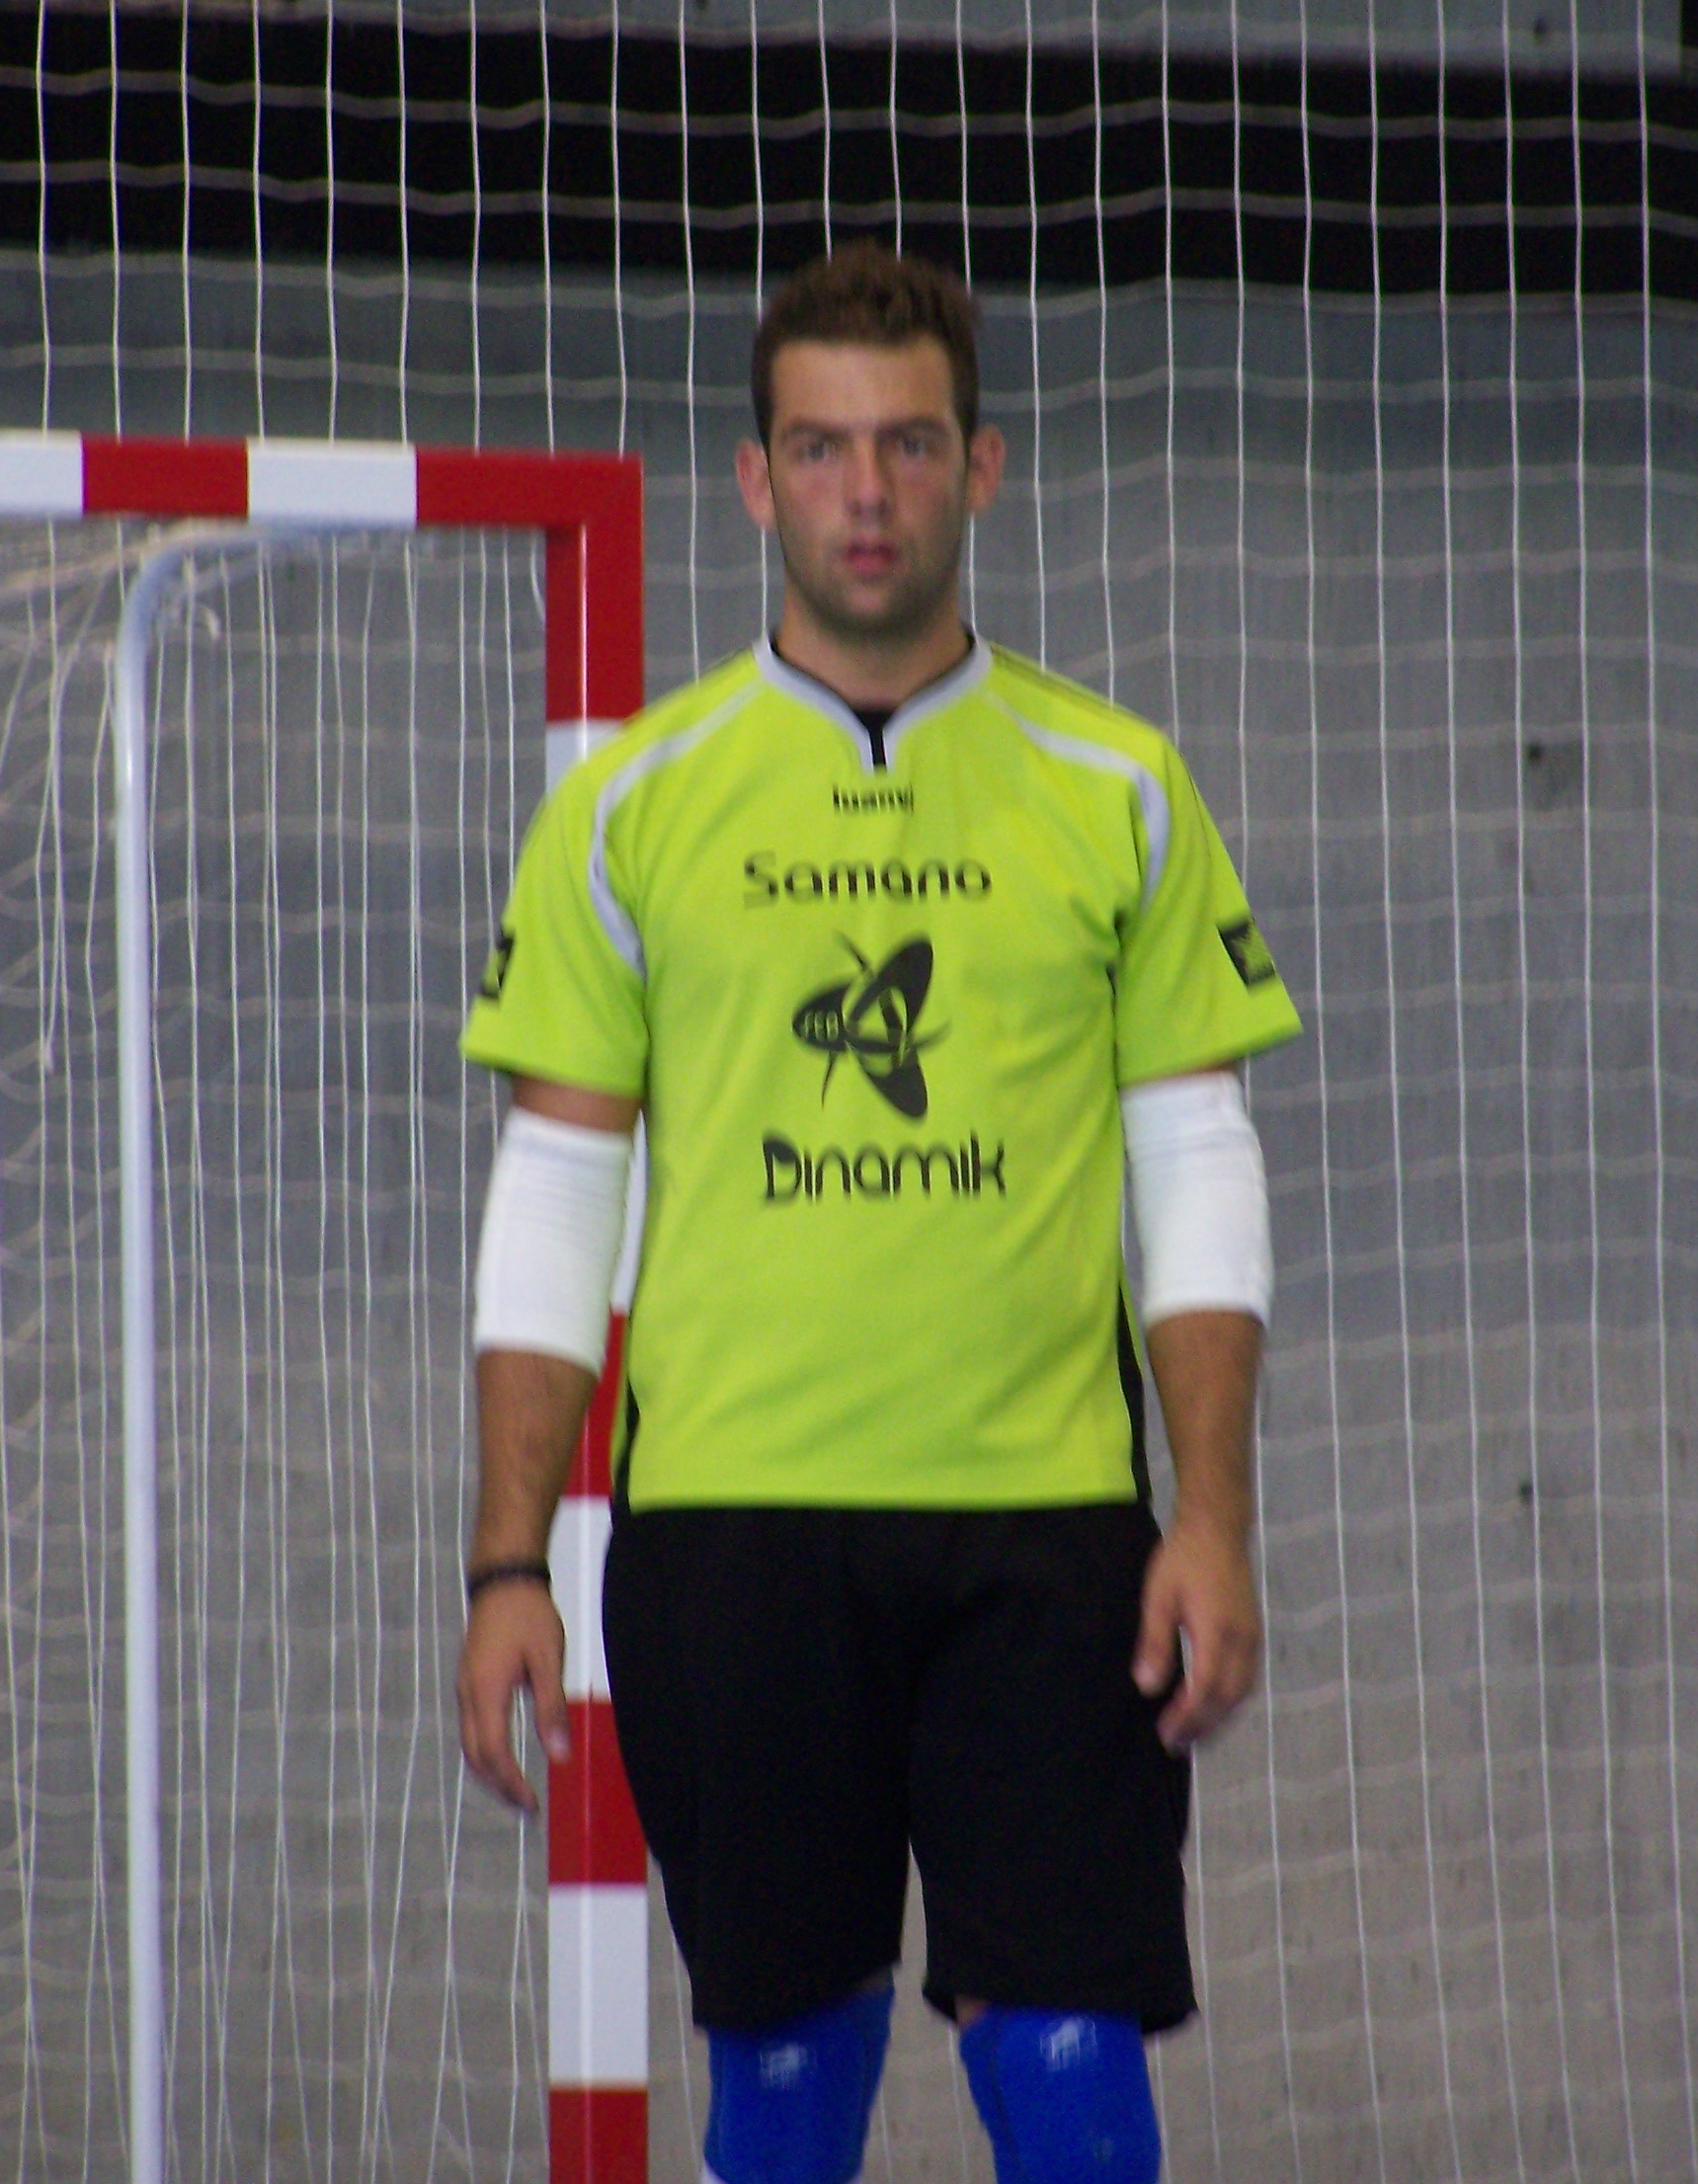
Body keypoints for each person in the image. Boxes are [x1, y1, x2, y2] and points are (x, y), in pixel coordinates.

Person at [451, 242, 1299, 2184]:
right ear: (757, 479)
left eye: (909, 445)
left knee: (1073, 2066)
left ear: (979, 467)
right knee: (782, 2079)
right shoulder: (634, 802)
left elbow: (1196, 1166)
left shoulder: (1117, 787)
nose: (867, 492)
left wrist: (1216, 1519)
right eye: (823, 449)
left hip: (1050, 1539)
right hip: (730, 1537)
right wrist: (508, 1566)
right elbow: (557, 1189)